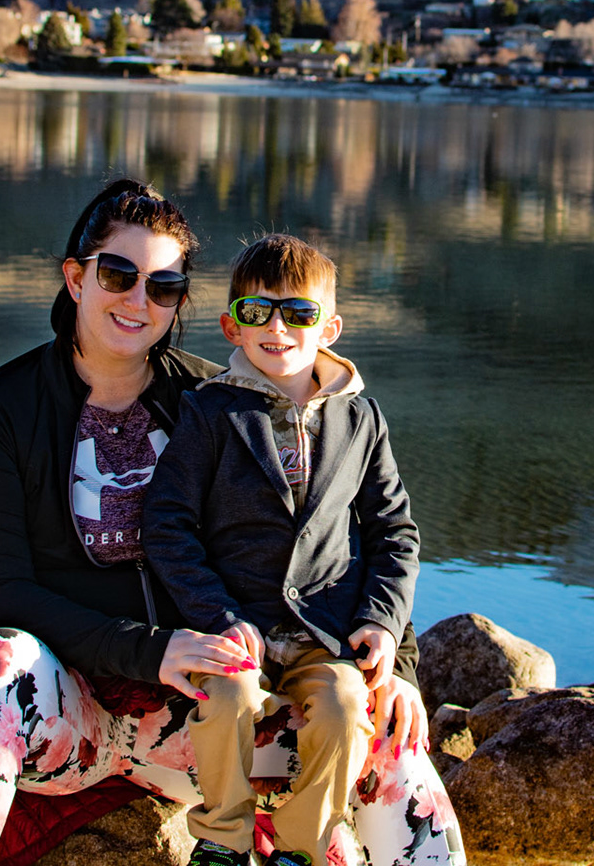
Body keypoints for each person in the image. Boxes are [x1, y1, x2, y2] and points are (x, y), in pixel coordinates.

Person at [0, 180, 462, 866]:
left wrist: (398, 666)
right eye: (119, 274)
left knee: (389, 736)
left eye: (164, 286)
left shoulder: (223, 403)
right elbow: (1, 592)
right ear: (76, 278)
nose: (139, 300)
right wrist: (152, 651)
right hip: (74, 713)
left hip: (212, 723)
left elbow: (348, 534)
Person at [143, 234, 418, 866]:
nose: (276, 327)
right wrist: (217, 615)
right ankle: (223, 837)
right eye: (257, 311)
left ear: (329, 328)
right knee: (226, 699)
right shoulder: (210, 412)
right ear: (232, 326)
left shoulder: (362, 420)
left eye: (298, 313)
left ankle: (301, 845)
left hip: (326, 633)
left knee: (345, 708)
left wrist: (382, 623)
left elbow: (393, 533)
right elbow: (167, 524)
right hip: (238, 625)